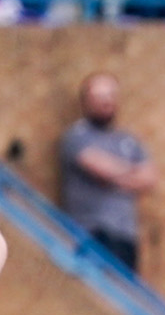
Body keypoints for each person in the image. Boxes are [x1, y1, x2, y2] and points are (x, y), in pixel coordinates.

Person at [59, 72, 155, 271]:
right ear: (86, 101)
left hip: (125, 236)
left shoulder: (128, 140)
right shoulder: (76, 136)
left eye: (111, 95)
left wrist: (116, 174)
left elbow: (149, 178)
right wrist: (131, 172)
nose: (106, 101)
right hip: (90, 234)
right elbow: (99, 168)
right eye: (99, 96)